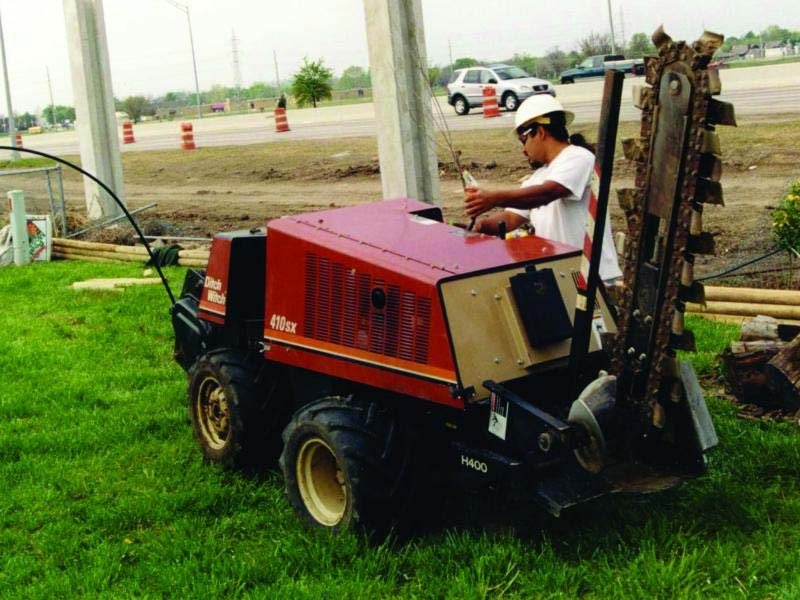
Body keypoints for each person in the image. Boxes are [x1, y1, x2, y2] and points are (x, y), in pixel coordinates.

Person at [464, 95, 622, 282]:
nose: (524, 150)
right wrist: (481, 226)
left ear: (539, 132)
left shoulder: (579, 158)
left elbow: (548, 193)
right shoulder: (539, 176)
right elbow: (511, 218)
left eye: (524, 140)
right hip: (564, 276)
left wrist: (493, 197)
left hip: (595, 276)